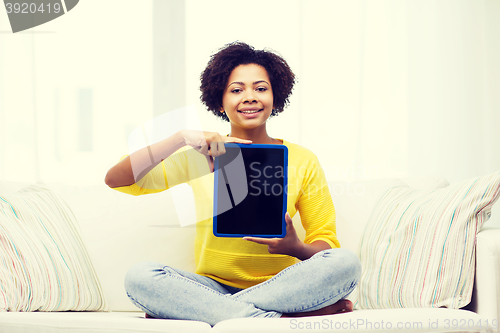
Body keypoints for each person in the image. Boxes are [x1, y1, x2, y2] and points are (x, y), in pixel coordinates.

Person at [104, 41, 361, 326]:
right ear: (219, 100)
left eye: (260, 88)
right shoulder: (201, 156)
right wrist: (181, 138)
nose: (249, 97)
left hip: (283, 286)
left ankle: (216, 312)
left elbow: (327, 243)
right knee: (140, 277)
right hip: (210, 287)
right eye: (236, 90)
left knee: (346, 263)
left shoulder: (302, 159)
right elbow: (116, 179)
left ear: (276, 97)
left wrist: (296, 247)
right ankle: (283, 317)